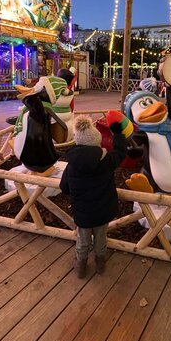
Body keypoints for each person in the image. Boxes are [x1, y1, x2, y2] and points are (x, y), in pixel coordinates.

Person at [60, 114, 127, 278]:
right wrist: (118, 134)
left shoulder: (71, 166)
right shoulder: (107, 160)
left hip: (83, 213)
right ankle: (100, 262)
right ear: (97, 140)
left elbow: (64, 188)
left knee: (83, 240)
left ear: (78, 141)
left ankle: (81, 266)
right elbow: (121, 153)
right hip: (103, 211)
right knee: (101, 238)